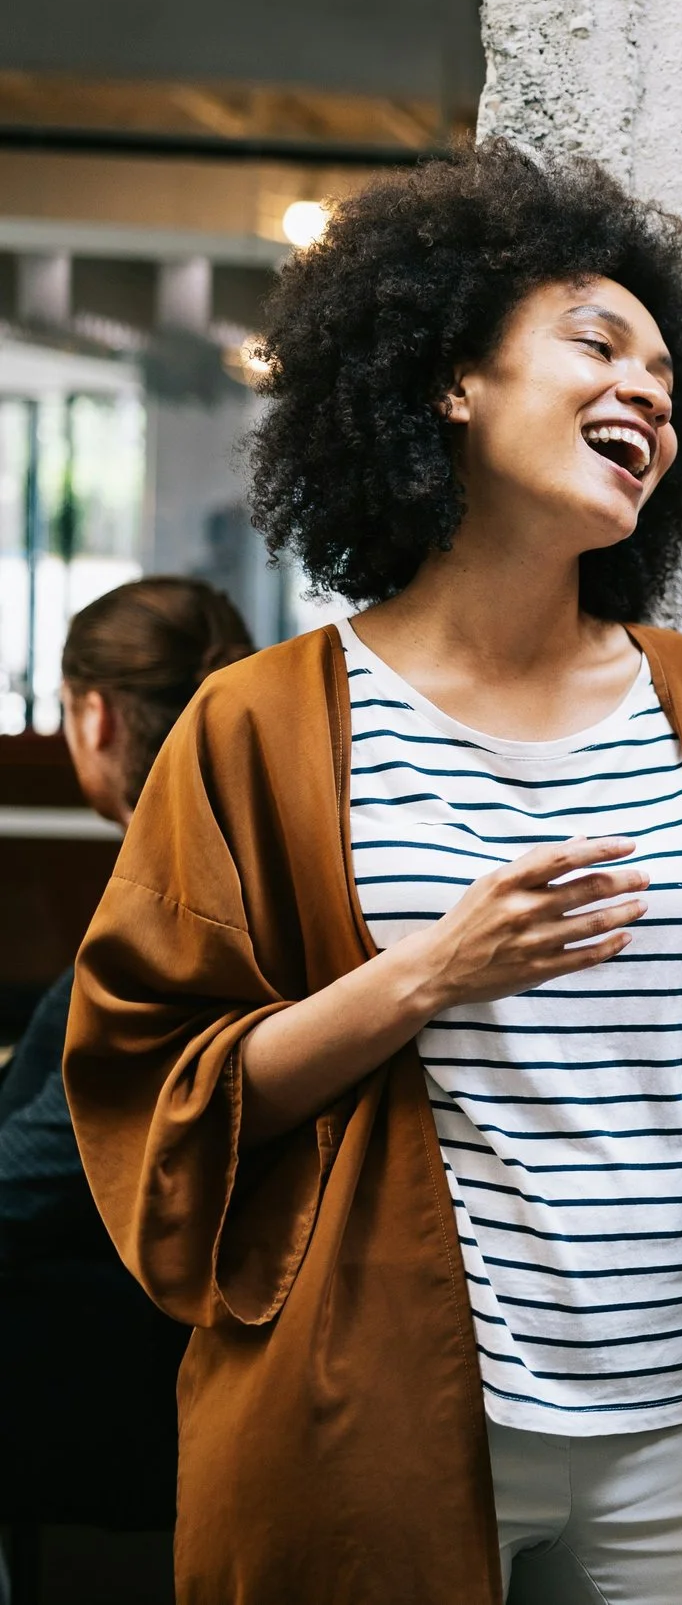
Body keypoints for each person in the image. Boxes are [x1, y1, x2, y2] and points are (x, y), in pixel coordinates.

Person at [65, 143, 682, 1605]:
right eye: (596, 343)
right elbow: (151, 1083)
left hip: (681, 1411)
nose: (647, 391)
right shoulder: (260, 722)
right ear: (446, 382)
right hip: (380, 1407)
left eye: (667, 374)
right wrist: (433, 969)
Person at [0, 578, 250, 1532]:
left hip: (114, 1403)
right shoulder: (238, 865)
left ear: (95, 717)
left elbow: (36, 1177)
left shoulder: (165, 918)